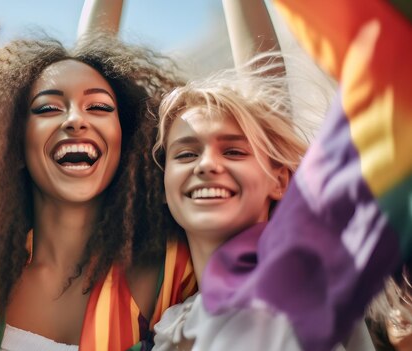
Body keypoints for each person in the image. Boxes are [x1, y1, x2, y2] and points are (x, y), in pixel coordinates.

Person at [0, 30, 196, 350]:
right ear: (13, 145)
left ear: (127, 139)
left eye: (100, 107)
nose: (76, 120)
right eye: (49, 108)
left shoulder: (175, 275)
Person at [150, 50, 376, 349]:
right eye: (186, 154)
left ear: (279, 181)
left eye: (234, 151)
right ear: (164, 188)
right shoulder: (173, 322)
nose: (205, 165)